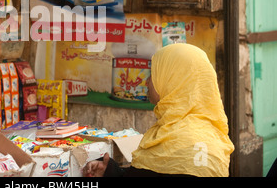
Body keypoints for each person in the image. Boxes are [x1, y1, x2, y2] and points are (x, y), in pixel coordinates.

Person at [83, 43, 235, 177]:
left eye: (154, 73)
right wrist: (109, 171)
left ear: (173, 80)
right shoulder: (203, 133)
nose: (147, 81)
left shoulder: (183, 142)